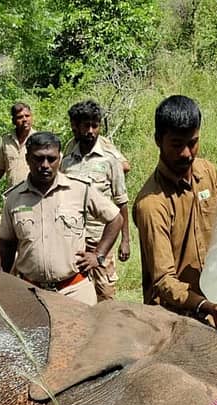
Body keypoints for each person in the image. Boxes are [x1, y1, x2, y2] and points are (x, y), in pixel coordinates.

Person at [133, 95, 217, 341]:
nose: (186, 153)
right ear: (158, 141)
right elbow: (163, 280)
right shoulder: (151, 203)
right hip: (172, 320)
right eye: (176, 144)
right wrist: (204, 305)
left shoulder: (208, 172)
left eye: (193, 143)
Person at [0, 132, 123, 306]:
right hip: (30, 293)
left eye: (51, 159)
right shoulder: (14, 198)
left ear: (60, 158)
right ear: (27, 158)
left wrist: (98, 255)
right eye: (38, 159)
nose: (45, 165)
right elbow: (6, 246)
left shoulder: (79, 189)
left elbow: (116, 218)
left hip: (75, 292)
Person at [61, 99, 131, 301]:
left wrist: (125, 240)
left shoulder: (109, 160)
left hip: (101, 239)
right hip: (74, 240)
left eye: (95, 125)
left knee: (105, 294)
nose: (91, 131)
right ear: (75, 127)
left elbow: (121, 202)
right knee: (76, 297)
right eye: (86, 126)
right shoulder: (66, 159)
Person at [0, 103, 35, 190]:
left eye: (27, 116)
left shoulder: (39, 139)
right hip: (12, 194)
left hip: (34, 193)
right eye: (20, 117)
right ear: (13, 121)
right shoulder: (5, 140)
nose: (24, 119)